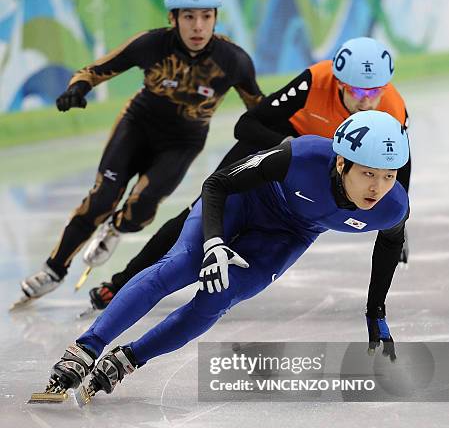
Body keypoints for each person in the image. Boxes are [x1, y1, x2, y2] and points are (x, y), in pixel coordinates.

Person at [29, 110, 410, 405]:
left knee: (219, 296)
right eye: (368, 174)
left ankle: (128, 360)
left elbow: (390, 245)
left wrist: (375, 314)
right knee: (181, 266)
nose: (377, 187)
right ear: (341, 163)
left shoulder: (391, 207)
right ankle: (86, 348)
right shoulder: (301, 156)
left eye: (389, 176)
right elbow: (218, 183)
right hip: (239, 203)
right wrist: (213, 243)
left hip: (287, 235)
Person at [88, 36, 411, 312]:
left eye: (375, 92)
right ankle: (120, 283)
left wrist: (398, 222)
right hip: (283, 149)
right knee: (197, 214)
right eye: (357, 91)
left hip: (325, 165)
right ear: (338, 82)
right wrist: (291, 150)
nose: (368, 102)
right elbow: (247, 125)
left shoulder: (393, 108)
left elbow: (398, 166)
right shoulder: (314, 81)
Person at [18, 0, 263, 303]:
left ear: (216, 17)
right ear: (172, 18)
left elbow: (261, 109)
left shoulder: (234, 61)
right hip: (138, 126)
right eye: (188, 16)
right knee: (101, 198)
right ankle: (53, 269)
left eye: (206, 16)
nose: (198, 26)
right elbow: (93, 70)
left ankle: (117, 229)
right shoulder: (151, 44)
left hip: (182, 143)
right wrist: (77, 88)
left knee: (141, 207)